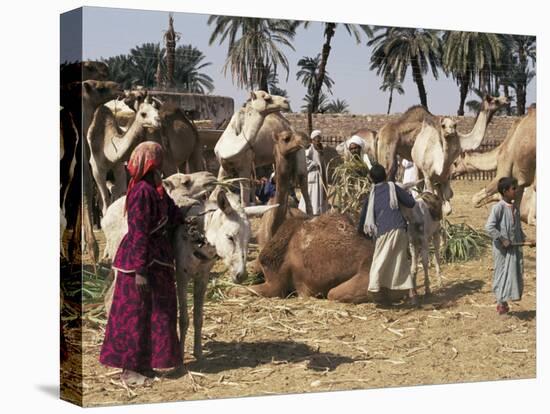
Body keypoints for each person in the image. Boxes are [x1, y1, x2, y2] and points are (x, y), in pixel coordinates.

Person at [99, 141, 183, 385]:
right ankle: (129, 370)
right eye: (160, 158)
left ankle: (146, 364)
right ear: (153, 162)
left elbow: (172, 212)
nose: (163, 162)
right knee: (134, 316)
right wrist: (140, 271)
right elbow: (138, 233)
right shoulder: (141, 192)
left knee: (156, 314)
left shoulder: (156, 189)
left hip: (156, 260)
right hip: (140, 263)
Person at [358, 163, 419, 307]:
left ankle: (378, 296)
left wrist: (360, 233)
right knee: (401, 263)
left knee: (378, 264)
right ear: (385, 176)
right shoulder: (393, 188)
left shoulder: (371, 196)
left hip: (384, 232)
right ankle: (412, 296)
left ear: (371, 179)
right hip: (400, 229)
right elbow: (411, 203)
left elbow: (363, 219)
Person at [485, 177, 534, 315]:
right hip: (501, 250)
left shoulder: (515, 209)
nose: (516, 191)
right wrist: (502, 239)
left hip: (514, 248)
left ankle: (504, 301)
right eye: (513, 188)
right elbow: (489, 227)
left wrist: (527, 240)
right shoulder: (498, 207)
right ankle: (500, 304)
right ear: (505, 191)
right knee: (501, 274)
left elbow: (517, 229)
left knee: (512, 273)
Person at [298, 130, 328, 215]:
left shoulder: (320, 148)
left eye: (319, 138)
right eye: (316, 139)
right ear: (312, 140)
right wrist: (313, 164)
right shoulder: (310, 148)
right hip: (313, 174)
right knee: (312, 192)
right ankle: (308, 210)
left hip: (320, 174)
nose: (318, 140)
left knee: (320, 192)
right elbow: (305, 159)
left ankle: (319, 210)